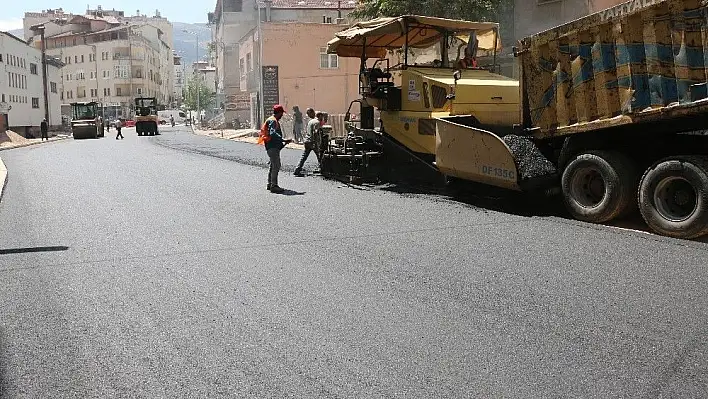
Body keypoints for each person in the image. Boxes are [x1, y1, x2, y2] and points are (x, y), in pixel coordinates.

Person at [262, 104, 291, 193]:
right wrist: (283, 139)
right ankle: (274, 186)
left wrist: (283, 142)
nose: (282, 116)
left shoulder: (272, 119)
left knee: (273, 165)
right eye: (281, 113)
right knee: (276, 165)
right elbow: (272, 133)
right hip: (272, 146)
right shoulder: (273, 121)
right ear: (279, 113)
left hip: (271, 145)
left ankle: (270, 184)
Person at [294, 109, 323, 177]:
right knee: (320, 156)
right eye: (322, 117)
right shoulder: (317, 122)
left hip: (307, 141)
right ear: (320, 116)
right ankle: (322, 169)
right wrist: (316, 142)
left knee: (304, 156)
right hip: (312, 141)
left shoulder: (311, 121)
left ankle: (297, 169)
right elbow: (315, 132)